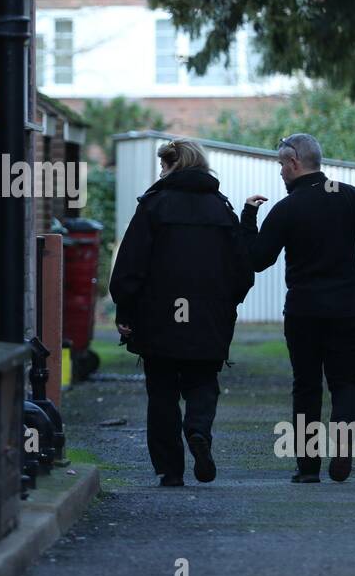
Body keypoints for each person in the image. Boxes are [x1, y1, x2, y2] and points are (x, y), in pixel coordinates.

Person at [243, 133, 355, 483]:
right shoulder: (349, 197)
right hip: (346, 310)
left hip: (303, 312)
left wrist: (248, 217)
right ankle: (344, 450)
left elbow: (257, 260)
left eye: (281, 166)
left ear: (294, 163)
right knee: (346, 384)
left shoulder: (287, 209)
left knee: (306, 387)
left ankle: (307, 469)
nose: (280, 173)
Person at [109, 138, 255, 487]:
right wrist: (227, 306)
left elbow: (131, 265)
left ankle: (169, 471)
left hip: (159, 316)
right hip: (208, 315)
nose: (160, 172)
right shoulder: (222, 208)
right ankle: (199, 431)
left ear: (173, 165)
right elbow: (241, 270)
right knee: (203, 381)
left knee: (161, 392)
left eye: (163, 165)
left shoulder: (153, 206)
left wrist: (125, 310)